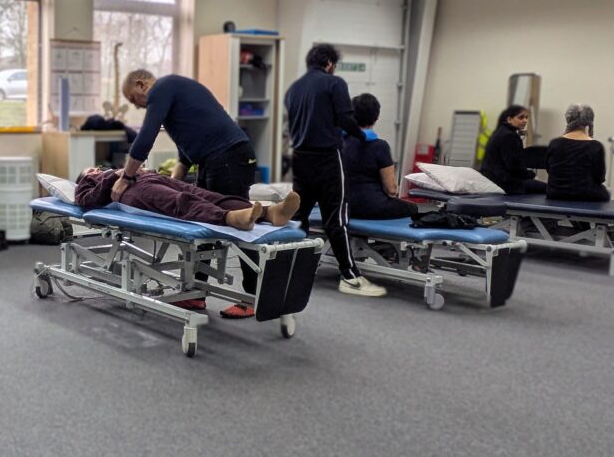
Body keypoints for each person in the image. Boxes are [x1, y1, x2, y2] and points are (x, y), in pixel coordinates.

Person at [113, 69, 260, 318]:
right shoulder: (174, 90)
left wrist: (125, 178)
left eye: (133, 100)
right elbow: (186, 148)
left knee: (239, 225)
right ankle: (194, 295)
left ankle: (253, 296)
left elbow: (145, 137)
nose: (137, 106)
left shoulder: (161, 89)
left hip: (229, 157)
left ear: (141, 85)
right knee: (204, 222)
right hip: (216, 159)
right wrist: (170, 186)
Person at [285, 44, 387, 297]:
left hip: (299, 158)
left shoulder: (294, 89)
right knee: (336, 218)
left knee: (299, 216)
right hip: (327, 159)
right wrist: (361, 137)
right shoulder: (334, 83)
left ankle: (292, 266)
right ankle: (350, 276)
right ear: (329, 63)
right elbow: (344, 119)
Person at [75, 167, 301, 232]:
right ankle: (230, 218)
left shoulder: (109, 171)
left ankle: (270, 213)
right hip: (131, 194)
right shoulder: (89, 182)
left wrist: (139, 170)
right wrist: (112, 176)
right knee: (181, 201)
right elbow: (86, 201)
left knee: (206, 194)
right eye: (91, 170)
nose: (96, 169)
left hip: (150, 178)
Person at [341, 93, 418, 219]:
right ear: (376, 117)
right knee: (412, 208)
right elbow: (391, 189)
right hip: (372, 207)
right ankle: (384, 238)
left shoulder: (340, 142)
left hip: (342, 206)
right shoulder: (379, 146)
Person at [545, 104, 610, 202]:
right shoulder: (595, 146)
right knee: (605, 192)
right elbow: (600, 177)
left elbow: (549, 170)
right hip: (586, 195)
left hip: (555, 193)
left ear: (568, 118)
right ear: (589, 121)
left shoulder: (555, 143)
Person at [480, 105, 546, 195]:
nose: (525, 121)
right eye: (521, 117)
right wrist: (531, 175)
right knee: (547, 188)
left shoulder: (500, 131)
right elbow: (513, 166)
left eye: (526, 118)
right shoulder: (509, 136)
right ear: (509, 119)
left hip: (492, 176)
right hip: (503, 180)